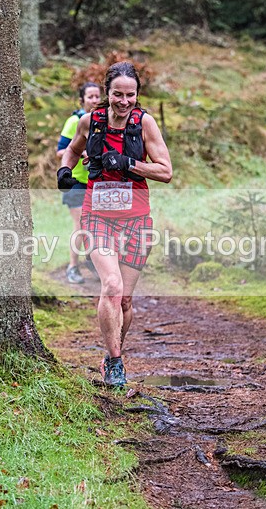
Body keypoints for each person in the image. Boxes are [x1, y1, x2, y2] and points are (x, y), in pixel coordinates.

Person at [58, 62, 173, 387]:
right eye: (117, 94)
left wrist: (128, 164)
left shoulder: (144, 123)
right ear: (106, 94)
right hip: (98, 216)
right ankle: (117, 361)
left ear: (137, 95)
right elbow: (71, 150)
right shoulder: (89, 122)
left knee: (125, 301)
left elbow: (165, 171)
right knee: (111, 286)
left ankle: (111, 356)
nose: (124, 101)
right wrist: (64, 171)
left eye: (130, 95)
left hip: (137, 219)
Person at [57, 82, 102, 284]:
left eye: (96, 96)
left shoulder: (102, 121)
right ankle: (73, 267)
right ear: (82, 99)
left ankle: (93, 262)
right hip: (75, 182)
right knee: (81, 225)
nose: (94, 100)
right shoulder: (74, 121)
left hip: (97, 182)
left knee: (97, 226)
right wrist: (82, 152)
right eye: (90, 96)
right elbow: (61, 151)